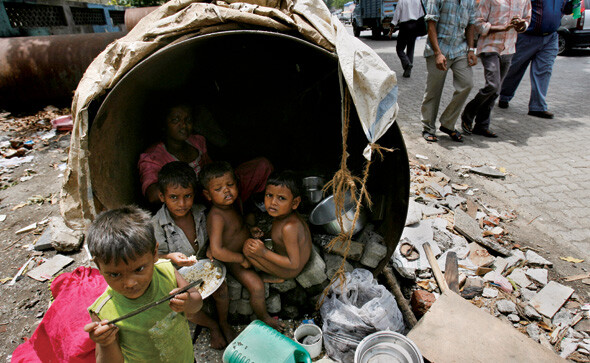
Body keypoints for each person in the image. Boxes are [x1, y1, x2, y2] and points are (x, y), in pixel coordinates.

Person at [84, 206, 202, 362]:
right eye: (115, 274)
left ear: (154, 254)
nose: (130, 283)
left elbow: (197, 302)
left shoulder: (166, 271)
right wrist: (106, 343)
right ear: (99, 267)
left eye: (139, 269)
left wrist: (187, 303)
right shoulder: (104, 311)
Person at [151, 161, 235, 349]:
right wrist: (170, 257)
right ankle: (212, 325)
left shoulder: (201, 212)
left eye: (187, 196)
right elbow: (153, 258)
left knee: (222, 289)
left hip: (204, 267)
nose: (182, 204)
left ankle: (223, 322)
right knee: (185, 306)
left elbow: (213, 236)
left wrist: (212, 248)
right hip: (178, 274)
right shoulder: (157, 224)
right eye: (174, 197)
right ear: (162, 196)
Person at [138, 102, 272, 205]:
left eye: (188, 120)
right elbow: (152, 195)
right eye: (175, 120)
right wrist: (187, 189)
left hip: (215, 194)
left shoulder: (196, 141)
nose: (183, 125)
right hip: (189, 204)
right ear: (164, 124)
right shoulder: (153, 157)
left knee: (262, 165)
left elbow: (211, 170)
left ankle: (254, 207)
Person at [201, 161, 282, 330]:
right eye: (218, 189)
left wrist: (251, 229)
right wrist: (240, 259)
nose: (226, 191)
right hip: (234, 260)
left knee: (272, 250)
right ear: (207, 195)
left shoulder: (231, 205)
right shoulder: (216, 216)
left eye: (230, 185)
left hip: (247, 250)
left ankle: (266, 272)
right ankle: (264, 317)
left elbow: (238, 227)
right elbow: (216, 250)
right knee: (257, 287)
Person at [460, 0, 531, 137]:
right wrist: (502, 28)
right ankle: (468, 114)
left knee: (496, 90)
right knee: (492, 85)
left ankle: (482, 125)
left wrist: (522, 26)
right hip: (490, 46)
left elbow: (527, 19)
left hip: (509, 47)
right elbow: (478, 24)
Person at [497, 0, 573, 119]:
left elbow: (567, 10)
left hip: (550, 37)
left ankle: (537, 107)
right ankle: (504, 95)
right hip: (527, 36)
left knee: (544, 70)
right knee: (515, 68)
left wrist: (573, 3)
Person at [420, 0, 478, 143]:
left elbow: (471, 25)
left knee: (467, 83)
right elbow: (431, 24)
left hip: (460, 50)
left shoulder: (469, 2)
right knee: (434, 90)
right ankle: (428, 128)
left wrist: (471, 49)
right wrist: (438, 53)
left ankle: (447, 123)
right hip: (439, 49)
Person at [243, 171, 312, 280]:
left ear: (295, 203)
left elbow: (294, 264)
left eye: (281, 198)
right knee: (252, 244)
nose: (273, 202)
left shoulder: (290, 227)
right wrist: (264, 235)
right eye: (269, 195)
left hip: (290, 270)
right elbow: (280, 237)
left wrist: (264, 252)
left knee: (247, 249)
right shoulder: (284, 215)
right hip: (287, 259)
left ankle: (277, 276)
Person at [389, 0, 426, 78]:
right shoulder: (418, 1)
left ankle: (407, 64)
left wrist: (392, 27)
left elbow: (397, 15)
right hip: (415, 25)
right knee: (410, 48)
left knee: (399, 49)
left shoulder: (402, 1)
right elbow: (421, 14)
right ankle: (408, 69)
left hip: (405, 26)